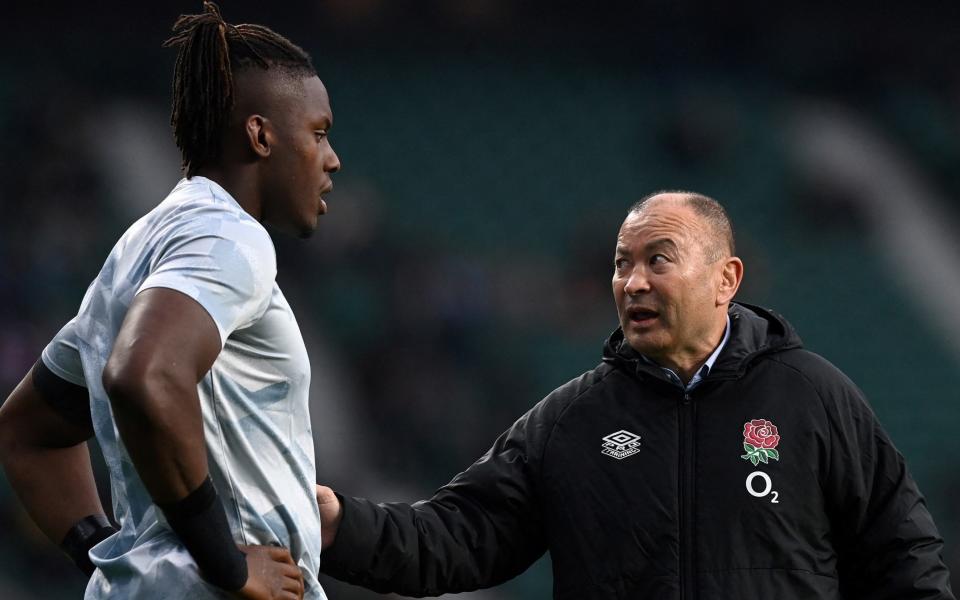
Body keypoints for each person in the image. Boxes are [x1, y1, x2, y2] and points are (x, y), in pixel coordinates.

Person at [314, 191, 954, 599]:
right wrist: (339, 522)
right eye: (622, 263)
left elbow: (902, 555)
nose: (633, 282)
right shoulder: (570, 420)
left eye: (659, 259)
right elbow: (456, 538)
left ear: (725, 278)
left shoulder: (814, 396)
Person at [0, 2, 340, 599]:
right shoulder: (230, 237)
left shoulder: (137, 251)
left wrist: (110, 560)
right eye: (317, 133)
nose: (331, 158)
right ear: (260, 136)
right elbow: (143, 374)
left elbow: (27, 431)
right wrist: (226, 565)